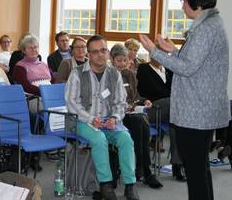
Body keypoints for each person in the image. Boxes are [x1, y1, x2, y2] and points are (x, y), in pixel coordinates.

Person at [139, 0, 230, 200]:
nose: (182, 6)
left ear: (196, 4)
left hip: (196, 111)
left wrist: (154, 50)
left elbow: (188, 68)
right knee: (200, 168)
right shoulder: (211, 24)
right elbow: (197, 64)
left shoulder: (204, 29)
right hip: (202, 108)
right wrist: (173, 51)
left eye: (184, 0)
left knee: (196, 169)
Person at [65, 35, 139, 200]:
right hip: (82, 121)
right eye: (95, 52)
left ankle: (130, 185)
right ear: (89, 55)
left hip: (109, 121)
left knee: (126, 139)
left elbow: (121, 102)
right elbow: (72, 104)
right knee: (99, 139)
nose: (100, 55)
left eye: (103, 50)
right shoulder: (76, 74)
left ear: (108, 52)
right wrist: (91, 119)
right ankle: (106, 185)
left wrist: (114, 118)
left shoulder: (114, 73)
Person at [110, 43, 162, 188]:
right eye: (119, 60)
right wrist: (124, 107)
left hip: (131, 114)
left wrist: (144, 101)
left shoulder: (130, 74)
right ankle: (144, 170)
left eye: (125, 60)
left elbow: (136, 96)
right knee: (140, 122)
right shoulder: (108, 75)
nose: (122, 64)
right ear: (112, 60)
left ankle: (142, 169)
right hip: (115, 115)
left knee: (141, 122)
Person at [137, 55, 185, 181]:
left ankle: (177, 163)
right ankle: (179, 164)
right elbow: (151, 90)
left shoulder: (168, 70)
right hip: (150, 107)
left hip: (171, 109)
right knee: (176, 105)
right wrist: (172, 95)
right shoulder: (144, 69)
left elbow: (179, 87)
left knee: (177, 122)